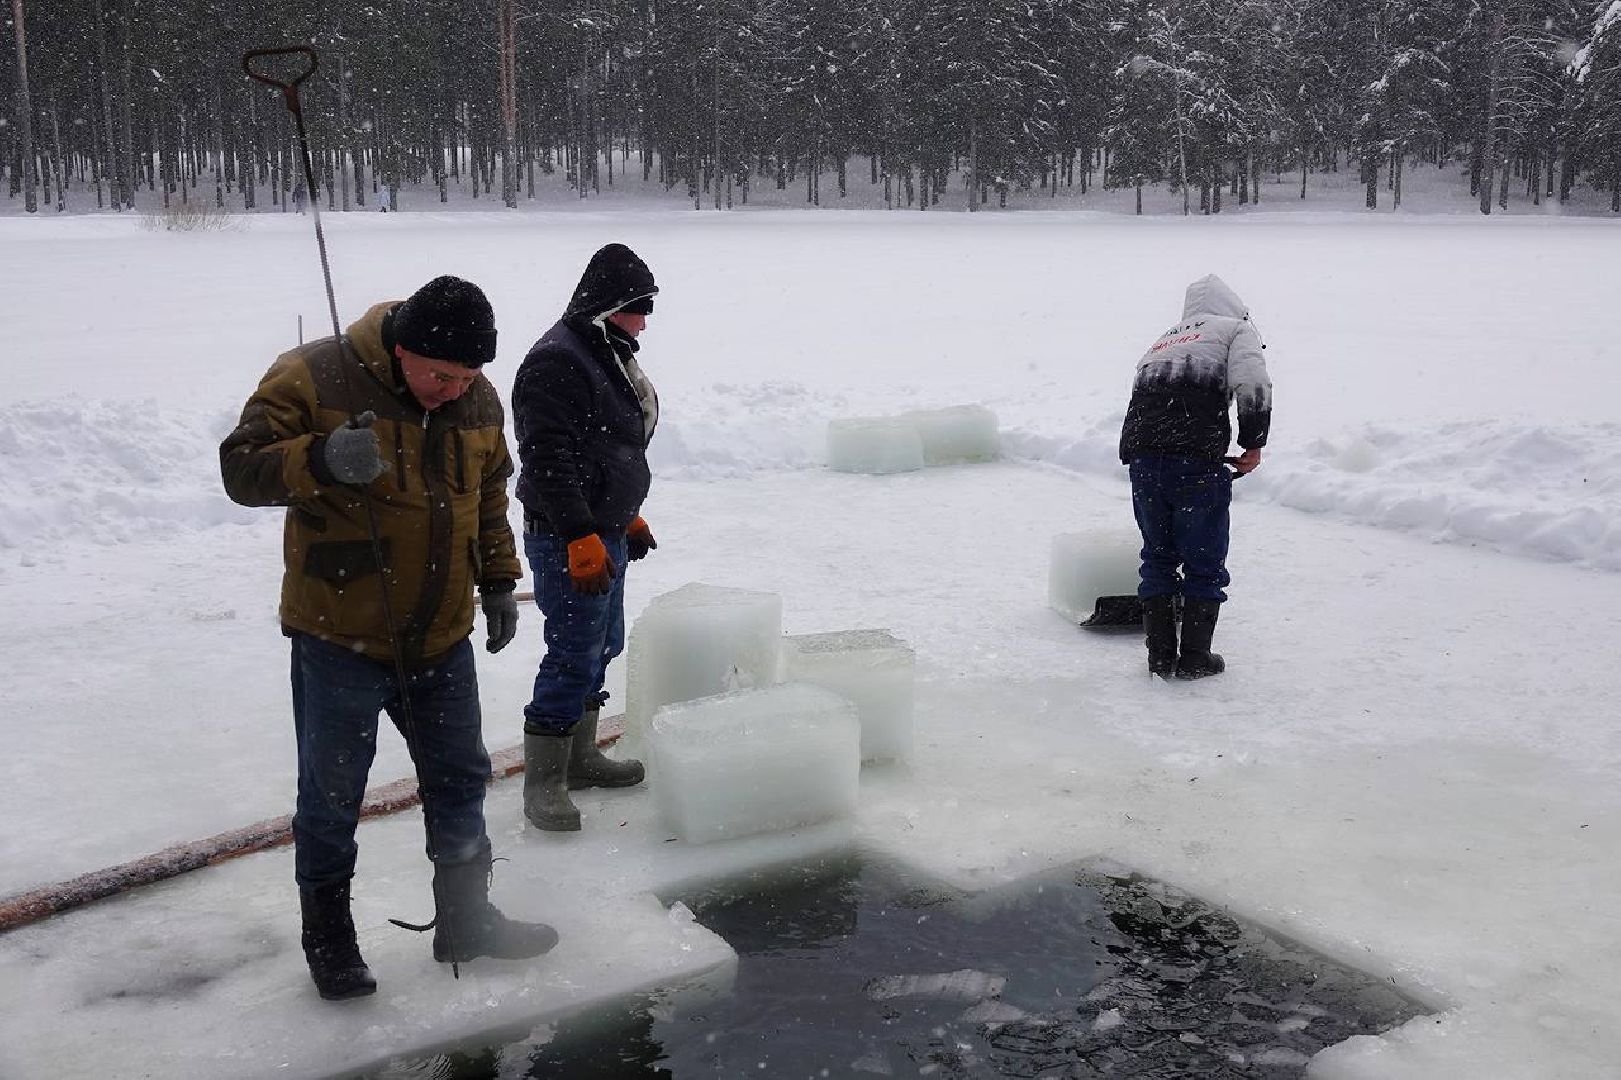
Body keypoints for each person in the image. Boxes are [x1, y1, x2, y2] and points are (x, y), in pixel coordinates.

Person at [220, 276, 557, 1001]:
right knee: (332, 795)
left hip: (441, 636)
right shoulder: (314, 373)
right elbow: (240, 469)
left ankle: (465, 921)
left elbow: (488, 494)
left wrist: (499, 579)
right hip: (339, 635)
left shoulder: (476, 398)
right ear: (402, 349)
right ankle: (330, 942)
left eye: (466, 377)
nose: (453, 390)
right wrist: (319, 459)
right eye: (440, 376)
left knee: (459, 780)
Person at [511, 243, 660, 832]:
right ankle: (545, 779)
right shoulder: (558, 361)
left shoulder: (604, 352)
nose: (645, 321)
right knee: (574, 650)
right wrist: (577, 533)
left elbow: (611, 449)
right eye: (641, 306)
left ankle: (580, 757)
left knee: (603, 644)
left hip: (603, 529)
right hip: (565, 536)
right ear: (610, 306)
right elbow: (548, 458)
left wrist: (626, 515)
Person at [1118, 274, 1272, 680]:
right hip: (1194, 462)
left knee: (1158, 556)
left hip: (1144, 460)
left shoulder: (1164, 339)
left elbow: (1140, 401)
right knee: (1204, 559)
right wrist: (1253, 443)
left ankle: (1159, 657)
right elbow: (1253, 382)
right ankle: (1194, 658)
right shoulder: (1234, 330)